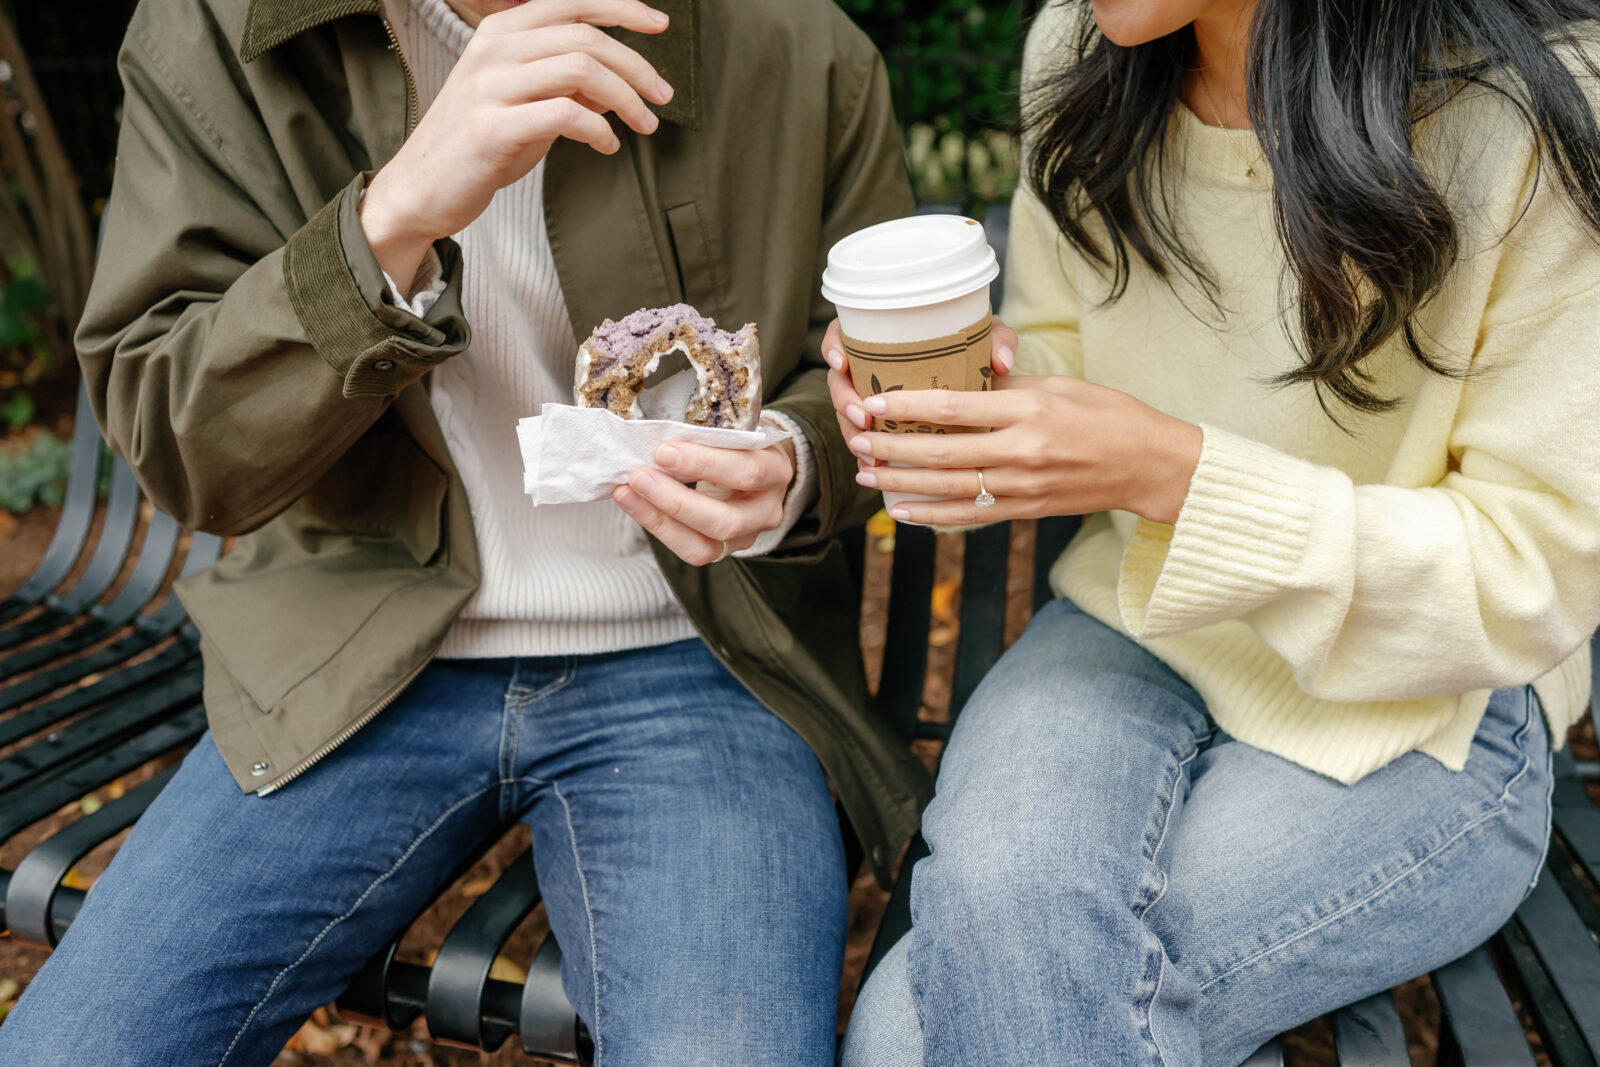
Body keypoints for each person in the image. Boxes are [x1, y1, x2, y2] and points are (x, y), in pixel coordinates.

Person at [0, 0, 931, 1063]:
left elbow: (866, 379)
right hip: (352, 644)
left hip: (701, 653)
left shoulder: (791, 40)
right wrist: (388, 220)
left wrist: (795, 461)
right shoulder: (223, 27)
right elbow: (183, 442)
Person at [830, 0, 1600, 1063]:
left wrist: (1174, 473)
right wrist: (965, 398)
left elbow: (1526, 576)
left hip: (1432, 705)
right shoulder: (1082, 46)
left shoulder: (1533, 109)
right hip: (1132, 622)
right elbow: (1064, 353)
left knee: (902, 1036)